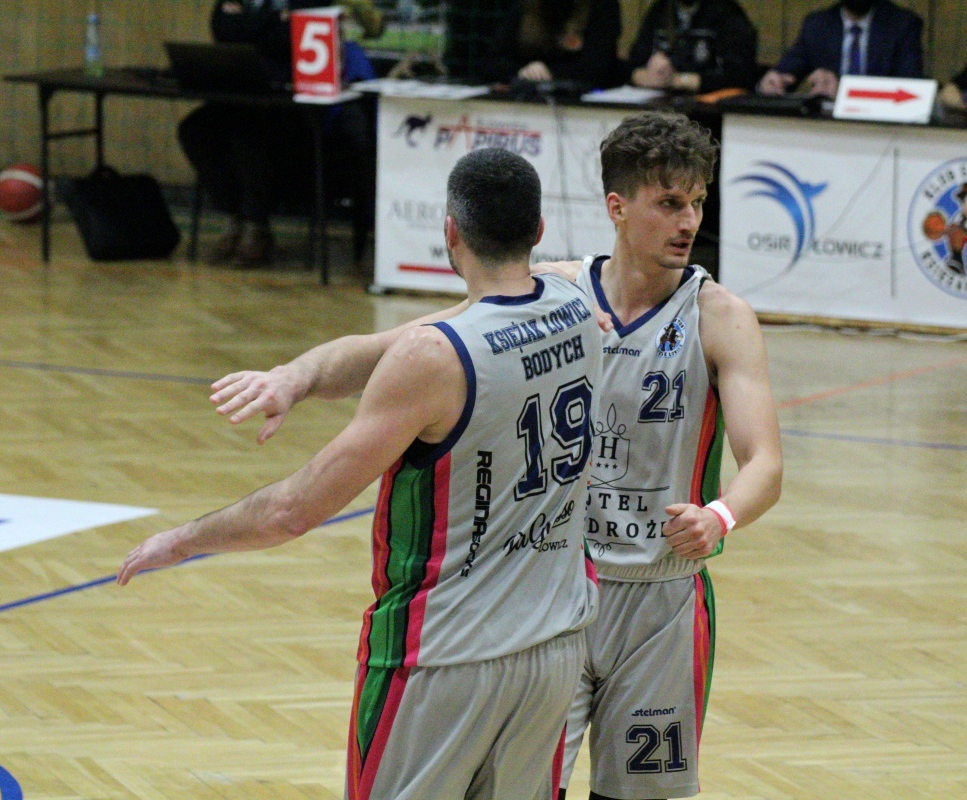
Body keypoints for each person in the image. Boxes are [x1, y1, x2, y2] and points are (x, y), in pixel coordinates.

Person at [211, 111, 784, 800]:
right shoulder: (555, 295)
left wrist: (721, 516)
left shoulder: (720, 316)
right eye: (669, 203)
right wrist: (295, 377)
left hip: (661, 597)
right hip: (556, 598)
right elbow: (403, 347)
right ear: (618, 207)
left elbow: (765, 463)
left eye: (697, 202)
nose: (688, 220)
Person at [118, 147, 603, 800]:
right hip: (555, 649)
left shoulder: (436, 356)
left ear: (450, 233)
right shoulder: (575, 300)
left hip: (445, 657)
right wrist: (297, 376)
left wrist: (182, 541)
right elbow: (382, 350)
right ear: (538, 229)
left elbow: (292, 510)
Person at [178, 0, 381, 267]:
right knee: (195, 129)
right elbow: (223, 30)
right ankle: (234, 215)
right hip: (240, 96)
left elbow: (287, 40)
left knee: (249, 129)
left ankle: (256, 226)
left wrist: (252, 26)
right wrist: (275, 19)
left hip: (298, 108)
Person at [757, 0, 923, 99]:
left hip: (882, 128)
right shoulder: (818, 24)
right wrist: (770, 83)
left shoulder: (902, 25)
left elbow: (910, 87)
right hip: (827, 128)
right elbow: (786, 71)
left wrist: (844, 91)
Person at [482, 0, 623, 90]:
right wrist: (522, 71)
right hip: (526, 99)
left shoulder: (602, 6)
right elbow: (492, 62)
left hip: (582, 103)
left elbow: (599, 68)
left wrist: (549, 72)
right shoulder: (524, 6)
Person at [628, 0, 759, 94]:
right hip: (660, 105)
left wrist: (678, 80)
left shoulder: (727, 12)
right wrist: (646, 77)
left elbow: (741, 75)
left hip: (708, 109)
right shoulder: (660, 9)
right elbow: (632, 66)